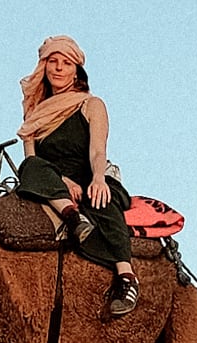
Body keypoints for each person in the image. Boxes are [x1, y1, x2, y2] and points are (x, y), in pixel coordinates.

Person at [14, 35, 137, 316]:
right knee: (28, 169)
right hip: (52, 182)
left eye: (66, 63)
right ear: (44, 67)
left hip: (88, 173)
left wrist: (97, 178)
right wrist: (61, 182)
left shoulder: (91, 105)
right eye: (52, 62)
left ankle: (126, 275)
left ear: (76, 70)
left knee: (101, 198)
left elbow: (97, 151)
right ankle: (72, 217)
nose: (58, 68)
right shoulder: (34, 115)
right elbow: (32, 159)